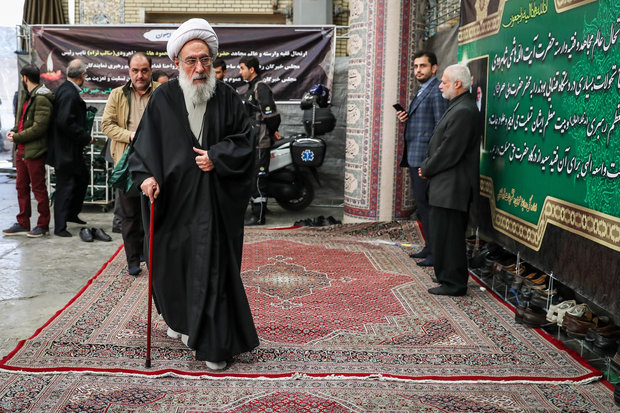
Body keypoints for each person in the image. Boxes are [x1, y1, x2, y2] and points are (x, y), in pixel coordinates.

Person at [128, 18, 259, 370]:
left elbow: (247, 143)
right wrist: (145, 178)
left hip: (214, 208)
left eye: (205, 60)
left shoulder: (229, 98)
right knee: (174, 269)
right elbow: (142, 149)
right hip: (173, 205)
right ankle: (183, 322)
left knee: (212, 270)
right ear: (176, 63)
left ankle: (214, 344)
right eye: (191, 60)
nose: (199, 68)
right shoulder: (163, 99)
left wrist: (218, 157)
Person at [419, 64, 481, 297]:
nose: (441, 85)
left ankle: (454, 282)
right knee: (443, 234)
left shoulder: (464, 111)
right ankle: (446, 274)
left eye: (444, 81)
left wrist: (426, 168)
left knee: (451, 236)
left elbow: (449, 151)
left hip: (453, 187)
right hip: (445, 186)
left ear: (458, 84)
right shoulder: (458, 106)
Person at [101, 52, 158, 276]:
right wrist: (130, 135)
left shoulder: (161, 93)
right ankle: (133, 259)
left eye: (144, 70)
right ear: (129, 71)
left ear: (151, 70)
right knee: (129, 215)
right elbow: (107, 125)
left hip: (155, 162)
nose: (140, 75)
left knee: (153, 213)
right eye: (135, 70)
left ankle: (150, 254)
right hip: (127, 163)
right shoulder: (117, 94)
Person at [397, 51, 448, 267]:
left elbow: (440, 127)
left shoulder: (436, 92)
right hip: (415, 156)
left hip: (425, 160)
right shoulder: (421, 91)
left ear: (434, 68)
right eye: (416, 66)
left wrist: (431, 162)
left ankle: (436, 253)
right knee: (422, 205)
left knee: (427, 206)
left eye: (423, 66)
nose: (418, 70)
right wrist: (404, 120)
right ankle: (429, 247)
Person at [2, 65, 53, 237]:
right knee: (21, 187)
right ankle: (23, 222)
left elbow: (40, 127)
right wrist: (14, 131)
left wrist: (17, 137)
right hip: (22, 150)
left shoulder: (42, 98)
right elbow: (23, 121)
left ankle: (43, 225)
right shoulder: (28, 96)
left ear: (25, 78)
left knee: (38, 188)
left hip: (35, 150)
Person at [47, 59, 92, 237]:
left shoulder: (66, 90)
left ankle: (72, 214)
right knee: (65, 187)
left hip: (70, 150)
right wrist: (84, 136)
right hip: (65, 150)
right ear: (82, 75)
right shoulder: (69, 93)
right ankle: (60, 227)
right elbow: (65, 121)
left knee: (82, 178)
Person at [239, 55, 281, 225]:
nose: (240, 72)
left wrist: (272, 133)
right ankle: (257, 212)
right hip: (252, 142)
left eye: (242, 68)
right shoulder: (251, 87)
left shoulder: (260, 87)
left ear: (251, 69)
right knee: (253, 178)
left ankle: (259, 217)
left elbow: (271, 116)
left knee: (259, 179)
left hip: (260, 143)